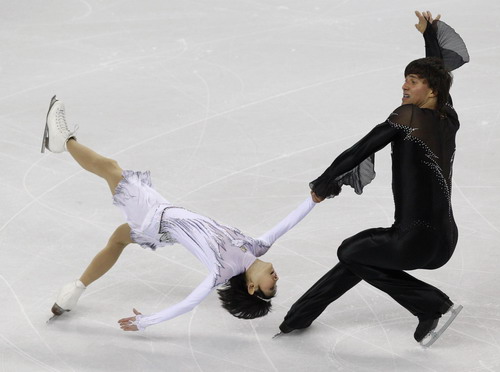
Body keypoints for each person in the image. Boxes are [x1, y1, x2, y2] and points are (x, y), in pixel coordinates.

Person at [41, 96, 317, 331]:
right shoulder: (258, 247)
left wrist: (147, 321)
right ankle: (72, 293)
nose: (276, 279)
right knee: (118, 241)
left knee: (110, 168)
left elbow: (190, 302)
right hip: (162, 225)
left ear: (252, 288)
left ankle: (62, 141)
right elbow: (286, 224)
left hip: (152, 216)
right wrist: (314, 199)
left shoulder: (223, 269)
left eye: (271, 287)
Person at [278, 11, 469, 347]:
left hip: (412, 241)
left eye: (412, 80)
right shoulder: (447, 114)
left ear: (430, 87)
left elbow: (358, 150)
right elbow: (437, 69)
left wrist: (323, 183)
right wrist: (429, 35)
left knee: (350, 250)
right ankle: (297, 318)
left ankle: (432, 304)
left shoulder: (408, 116)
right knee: (361, 258)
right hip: (445, 242)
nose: (404, 86)